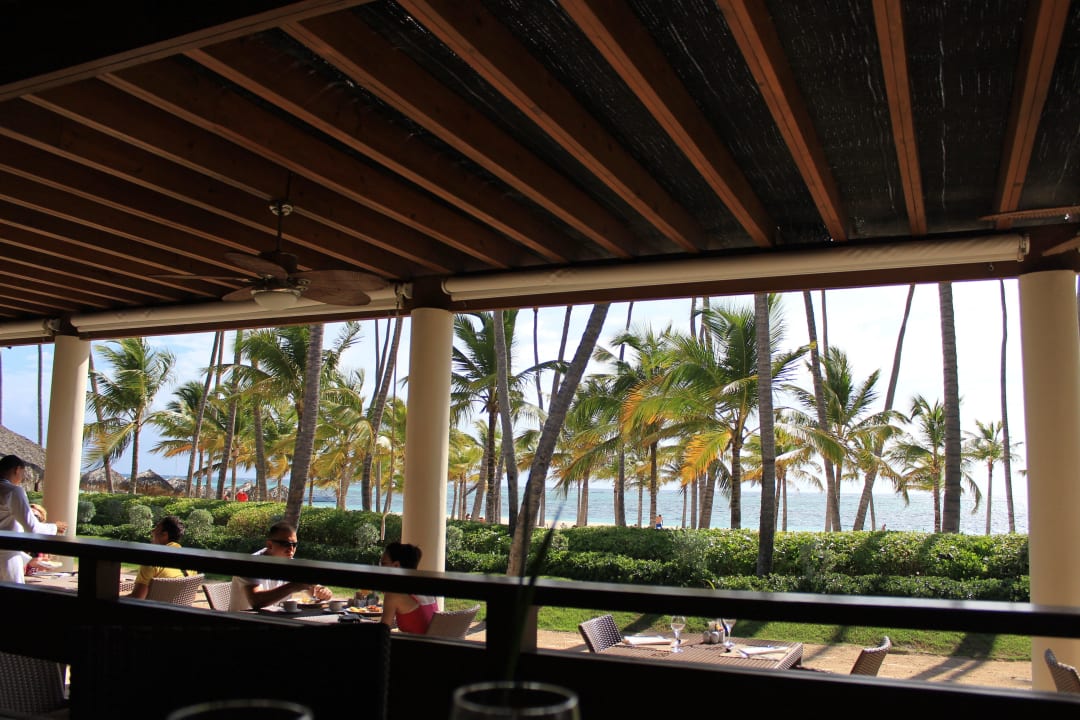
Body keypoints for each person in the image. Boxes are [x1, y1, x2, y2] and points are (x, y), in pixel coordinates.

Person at [230, 521, 332, 610]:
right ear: (270, 545)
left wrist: (321, 591)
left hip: (274, 619)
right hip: (244, 621)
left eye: (294, 545)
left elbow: (309, 587)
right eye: (286, 544)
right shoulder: (250, 564)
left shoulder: (291, 564)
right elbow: (256, 601)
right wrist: (293, 586)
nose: (291, 549)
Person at [0, 454, 66, 583]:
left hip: (8, 551)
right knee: (13, 593)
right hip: (7, 558)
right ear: (17, 469)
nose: (22, 477)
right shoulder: (13, 491)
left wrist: (30, 560)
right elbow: (32, 528)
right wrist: (55, 527)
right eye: (23, 473)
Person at [378, 541, 438, 634]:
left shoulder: (394, 594)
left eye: (383, 563)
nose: (379, 568)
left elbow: (381, 633)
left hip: (412, 643)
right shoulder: (426, 587)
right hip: (431, 642)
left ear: (396, 566)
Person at [128, 515, 187, 599]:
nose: (152, 531)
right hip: (177, 606)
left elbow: (136, 598)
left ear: (165, 534)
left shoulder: (152, 560)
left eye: (156, 527)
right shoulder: (188, 561)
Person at [24, 503, 56, 576]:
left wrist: (46, 566)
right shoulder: (15, 541)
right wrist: (29, 563)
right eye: (30, 516)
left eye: (36, 517)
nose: (32, 520)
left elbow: (40, 571)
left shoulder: (42, 545)